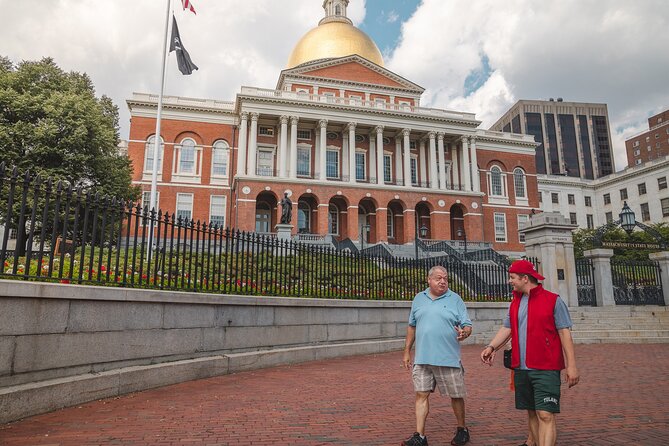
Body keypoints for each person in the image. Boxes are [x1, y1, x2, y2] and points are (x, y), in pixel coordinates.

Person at [480, 260, 579, 446]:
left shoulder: (553, 300)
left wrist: (571, 365)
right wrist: (491, 346)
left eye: (512, 278)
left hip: (546, 367)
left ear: (525, 278)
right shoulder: (515, 303)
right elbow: (507, 328)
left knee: (546, 414)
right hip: (521, 367)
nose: (510, 281)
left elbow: (565, 334)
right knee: (532, 412)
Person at [402, 265, 473, 446]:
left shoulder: (455, 299)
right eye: (438, 278)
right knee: (421, 395)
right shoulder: (419, 298)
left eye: (445, 278)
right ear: (429, 279)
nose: (443, 281)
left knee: (456, 396)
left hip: (448, 357)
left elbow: (467, 325)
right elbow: (412, 326)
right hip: (423, 358)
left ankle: (462, 429)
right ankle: (420, 436)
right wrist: (406, 352)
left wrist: (464, 333)